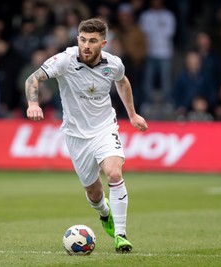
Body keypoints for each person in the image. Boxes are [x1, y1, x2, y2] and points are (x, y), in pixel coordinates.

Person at [24, 18, 148, 253]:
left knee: (113, 172)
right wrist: (33, 103)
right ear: (77, 39)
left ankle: (121, 235)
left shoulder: (113, 64)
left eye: (92, 41)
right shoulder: (64, 60)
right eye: (82, 40)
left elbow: (122, 82)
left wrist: (132, 114)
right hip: (76, 135)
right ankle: (104, 212)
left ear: (103, 42)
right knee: (94, 193)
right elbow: (32, 78)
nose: (86, 45)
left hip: (105, 129)